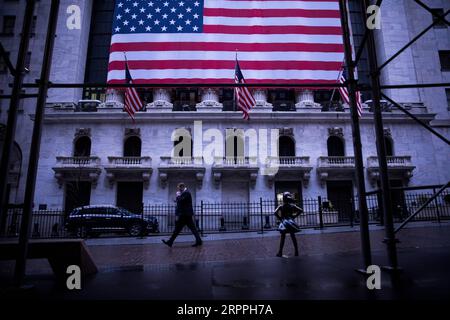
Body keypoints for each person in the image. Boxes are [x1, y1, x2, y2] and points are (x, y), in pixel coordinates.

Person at [162, 182, 203, 247]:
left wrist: (178, 196)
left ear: (182, 187)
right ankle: (199, 241)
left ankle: (170, 241)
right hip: (185, 215)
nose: (179, 190)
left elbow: (181, 200)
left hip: (185, 214)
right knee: (191, 229)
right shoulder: (185, 193)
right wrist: (177, 200)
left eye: (179, 189)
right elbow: (181, 201)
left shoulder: (187, 193)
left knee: (178, 229)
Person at [274, 192, 303, 257]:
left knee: (283, 237)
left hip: (284, 222)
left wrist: (280, 218)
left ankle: (280, 252)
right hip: (290, 222)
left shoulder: (281, 206)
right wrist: (294, 216)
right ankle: (296, 251)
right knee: (293, 237)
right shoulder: (292, 206)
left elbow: (275, 212)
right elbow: (301, 210)